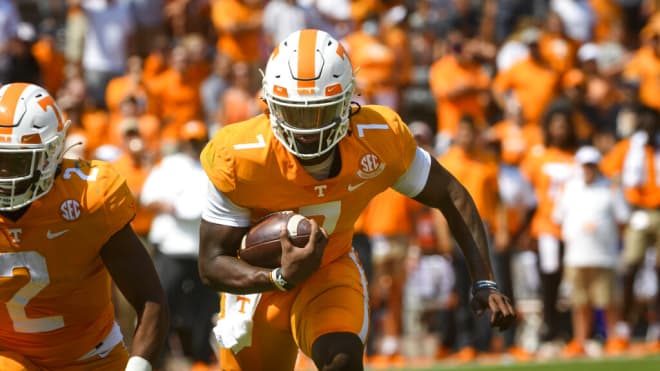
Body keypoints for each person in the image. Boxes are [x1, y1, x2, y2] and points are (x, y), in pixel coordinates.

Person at [197, 29, 515, 371]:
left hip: (329, 269)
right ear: (271, 105)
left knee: (342, 359)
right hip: (259, 286)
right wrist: (278, 277)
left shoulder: (380, 137)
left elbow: (452, 194)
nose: (308, 130)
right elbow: (211, 262)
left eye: (320, 112)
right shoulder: (240, 154)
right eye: (296, 114)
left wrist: (484, 279)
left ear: (349, 101)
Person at [0, 82, 169, 371]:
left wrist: (139, 366)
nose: (2, 175)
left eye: (13, 162)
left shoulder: (89, 198)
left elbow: (151, 300)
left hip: (91, 357)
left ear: (49, 155)